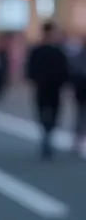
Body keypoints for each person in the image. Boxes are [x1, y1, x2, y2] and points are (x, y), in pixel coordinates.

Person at [26, 22, 70, 160]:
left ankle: (47, 135)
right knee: (49, 112)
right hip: (49, 87)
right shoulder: (53, 51)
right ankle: (47, 135)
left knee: (47, 112)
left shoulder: (51, 50)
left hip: (47, 87)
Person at [67, 36, 86, 158]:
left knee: (80, 116)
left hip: (80, 91)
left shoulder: (78, 56)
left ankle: (78, 140)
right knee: (81, 116)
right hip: (82, 91)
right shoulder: (79, 56)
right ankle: (78, 140)